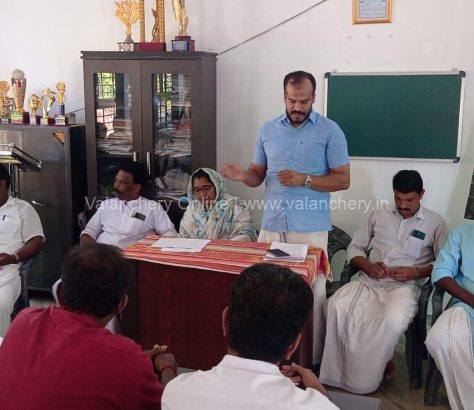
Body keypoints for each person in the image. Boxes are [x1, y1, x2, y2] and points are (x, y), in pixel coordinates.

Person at [220, 70, 350, 363]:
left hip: (309, 228)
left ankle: (309, 360)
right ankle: (268, 356)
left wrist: (305, 179)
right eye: (292, 101)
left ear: (314, 98)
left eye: (303, 101)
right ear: (284, 97)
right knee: (267, 292)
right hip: (273, 224)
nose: (297, 108)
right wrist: (243, 175)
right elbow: (257, 176)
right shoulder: (268, 130)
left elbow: (343, 180)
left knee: (309, 295)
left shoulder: (331, 131)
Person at [0, 244, 177, 409]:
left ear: (59, 293)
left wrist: (135, 363)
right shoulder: (125, 358)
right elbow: (167, 405)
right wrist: (167, 369)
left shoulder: (24, 320)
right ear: (121, 305)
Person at [319, 170, 449, 394]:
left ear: (421, 195)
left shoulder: (436, 223)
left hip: (405, 288)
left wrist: (416, 272)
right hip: (369, 281)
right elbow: (355, 248)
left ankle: (367, 377)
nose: (403, 205)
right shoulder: (378, 215)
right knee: (335, 306)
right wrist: (368, 266)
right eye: (398, 198)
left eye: (409, 200)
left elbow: (444, 264)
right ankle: (336, 375)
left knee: (392, 318)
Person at [162, 263, 338, 410]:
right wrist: (319, 392)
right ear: (292, 345)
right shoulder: (317, 407)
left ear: (225, 322)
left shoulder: (176, 392)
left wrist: (167, 370)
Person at [425, 224, 474, 410]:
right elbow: (441, 271)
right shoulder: (461, 233)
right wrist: (471, 299)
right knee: (439, 340)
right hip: (466, 305)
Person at [81, 161, 177, 248]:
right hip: (102, 257)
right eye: (116, 180)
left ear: (136, 188)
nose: (115, 186)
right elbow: (89, 233)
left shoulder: (152, 207)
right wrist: (87, 254)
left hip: (131, 260)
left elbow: (169, 233)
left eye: (122, 183)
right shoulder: (106, 204)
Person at [0, 164, 44, 337]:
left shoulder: (22, 208)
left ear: (2, 184)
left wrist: (13, 257)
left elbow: (37, 240)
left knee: (1, 304)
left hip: (7, 272)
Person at [179, 168, 257, 241]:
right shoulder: (192, 210)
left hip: (227, 253)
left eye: (206, 188)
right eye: (197, 190)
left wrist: (220, 247)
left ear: (217, 185)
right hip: (195, 254)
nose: (202, 194)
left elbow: (247, 235)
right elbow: (183, 237)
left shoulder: (235, 206)